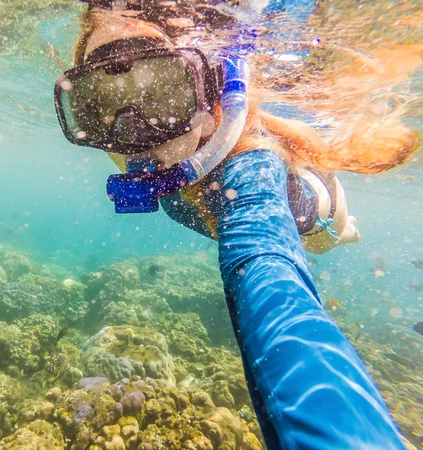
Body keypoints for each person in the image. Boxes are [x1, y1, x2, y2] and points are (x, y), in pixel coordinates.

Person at [53, 0, 421, 448]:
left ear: (206, 95)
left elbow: (268, 272)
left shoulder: (250, 175)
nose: (133, 128)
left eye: (162, 93)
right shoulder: (164, 158)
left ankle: (338, 215)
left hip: (316, 217)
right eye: (102, 103)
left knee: (329, 232)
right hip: (219, 191)